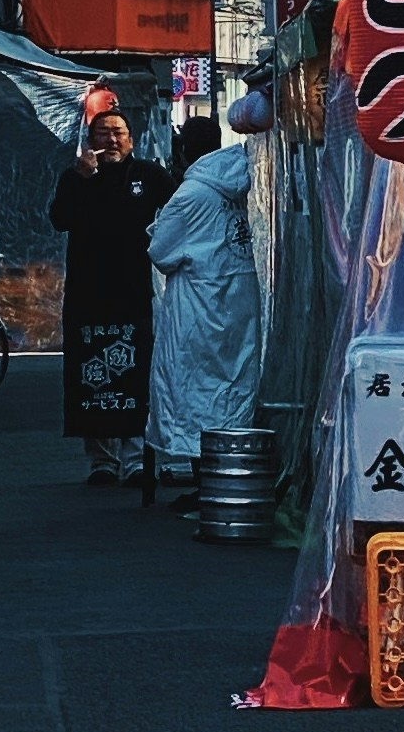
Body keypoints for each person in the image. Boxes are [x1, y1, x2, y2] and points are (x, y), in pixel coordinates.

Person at [49, 107, 171, 480]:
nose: (111, 140)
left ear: (131, 139)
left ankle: (136, 456)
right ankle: (102, 458)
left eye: (118, 132)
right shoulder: (75, 178)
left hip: (133, 291)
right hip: (87, 291)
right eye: (103, 133)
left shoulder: (150, 176)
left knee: (135, 372)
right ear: (91, 141)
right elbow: (59, 220)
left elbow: (179, 212)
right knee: (91, 372)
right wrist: (82, 180)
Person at [146, 111, 263, 495]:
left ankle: (206, 482)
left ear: (184, 148)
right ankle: (226, 476)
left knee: (195, 388)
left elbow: (162, 251)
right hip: (237, 296)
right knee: (231, 382)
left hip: (198, 302)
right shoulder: (238, 184)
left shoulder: (191, 194)